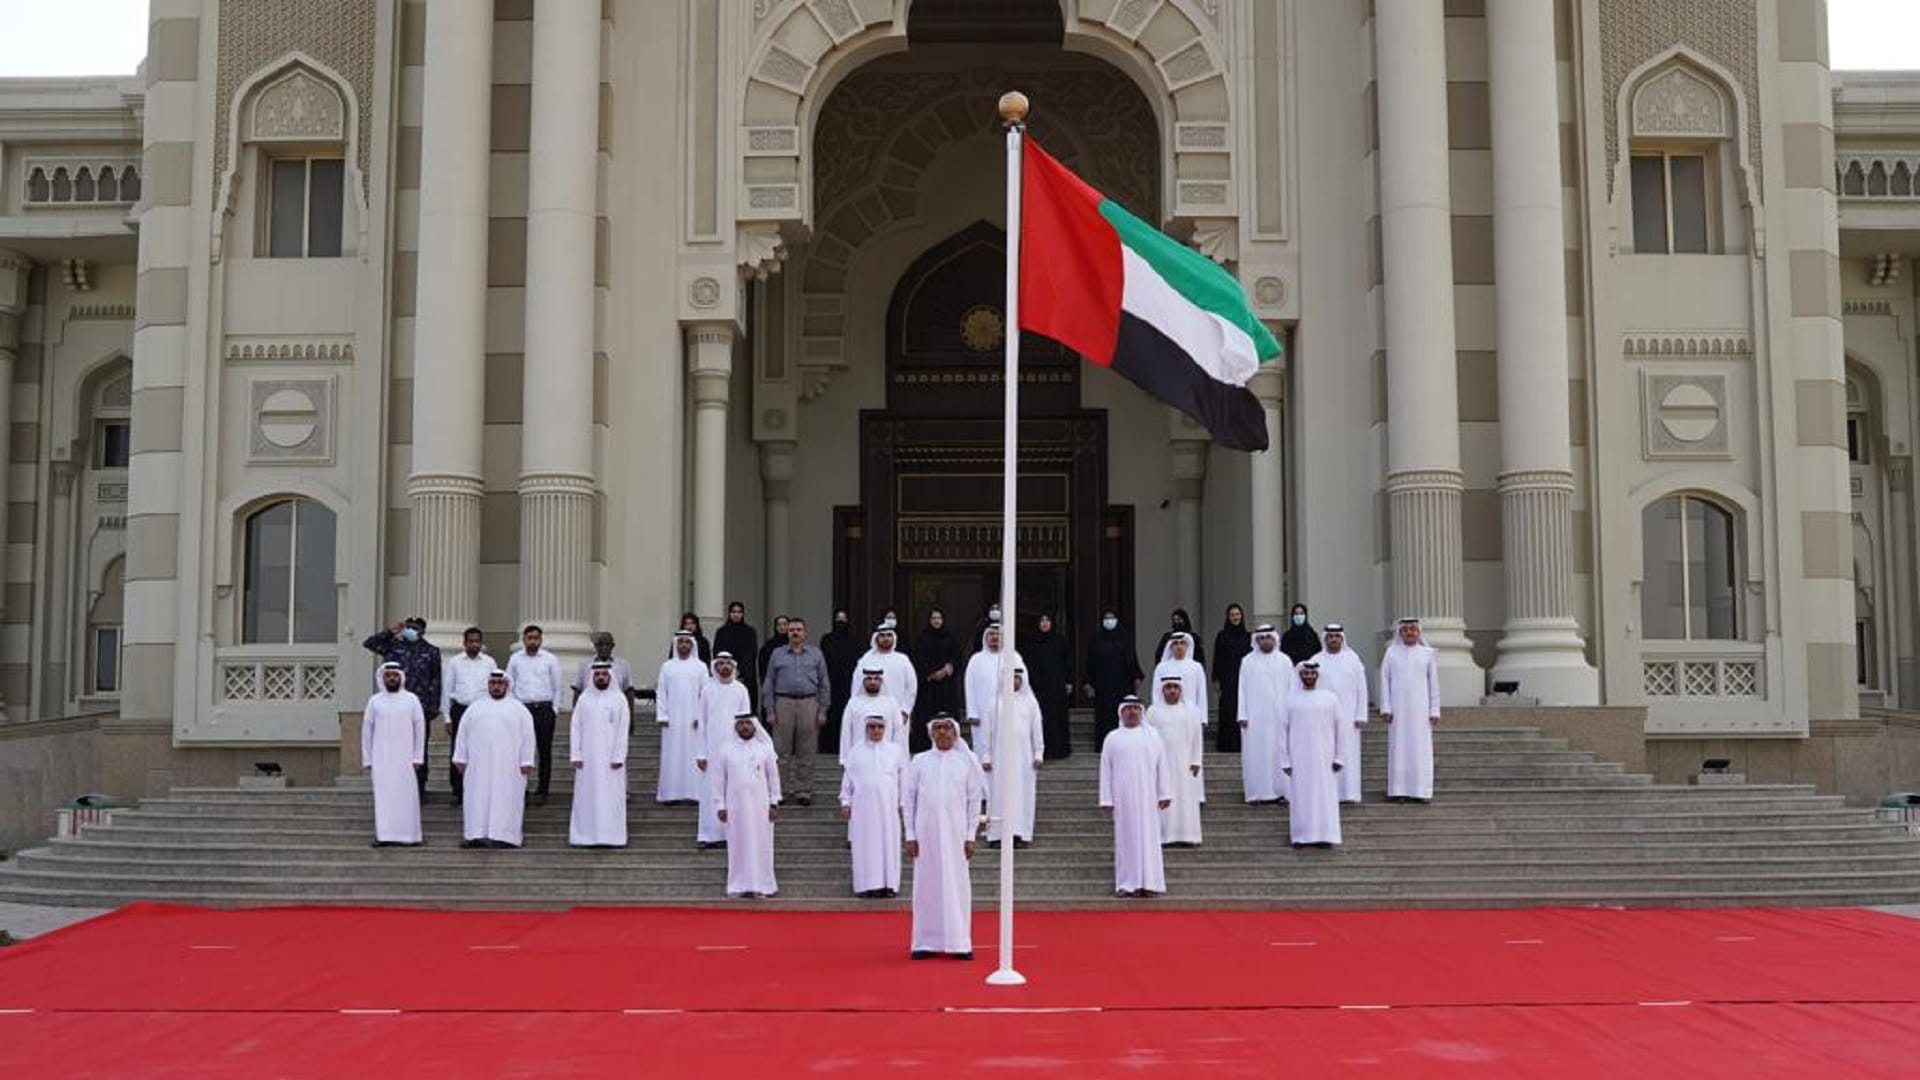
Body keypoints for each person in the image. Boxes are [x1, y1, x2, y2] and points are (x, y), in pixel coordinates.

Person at [902, 714, 987, 960]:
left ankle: (959, 942)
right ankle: (925, 942)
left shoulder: (965, 763)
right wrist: (910, 834)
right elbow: (908, 801)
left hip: (956, 834)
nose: (942, 733)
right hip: (925, 834)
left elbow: (974, 802)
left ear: (955, 732)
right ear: (930, 733)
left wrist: (971, 835)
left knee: (956, 886)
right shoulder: (919, 761)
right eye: (937, 728)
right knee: (925, 887)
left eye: (947, 728)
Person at [452, 669, 537, 848]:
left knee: (505, 798)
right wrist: (460, 757)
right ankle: (475, 835)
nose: (496, 687)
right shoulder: (474, 708)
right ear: (488, 685)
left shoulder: (519, 709)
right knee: (477, 798)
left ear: (507, 685)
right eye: (493, 683)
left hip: (509, 766)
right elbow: (462, 734)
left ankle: (505, 836)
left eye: (500, 684)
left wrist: (527, 760)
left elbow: (529, 736)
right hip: (478, 766)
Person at [1100, 696, 1172, 898]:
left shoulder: (1153, 736)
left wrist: (1165, 793)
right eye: (1128, 709)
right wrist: (1106, 799)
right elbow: (1106, 770)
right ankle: (1127, 883)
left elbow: (1162, 766)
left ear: (1141, 711)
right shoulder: (1112, 738)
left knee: (1149, 840)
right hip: (1123, 799)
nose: (1132, 712)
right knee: (1126, 841)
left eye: (1135, 708)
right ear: (1121, 712)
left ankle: (1150, 883)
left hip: (1148, 798)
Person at [363, 617, 442, 798]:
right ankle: (394, 788)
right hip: (392, 706)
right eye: (409, 628)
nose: (411, 631)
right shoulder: (393, 647)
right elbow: (369, 643)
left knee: (419, 749)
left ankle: (419, 789)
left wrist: (434, 706)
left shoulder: (431, 651)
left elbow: (436, 680)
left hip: (419, 708)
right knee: (394, 749)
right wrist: (391, 631)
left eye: (415, 628)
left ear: (422, 631)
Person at [759, 617, 830, 805]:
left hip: (809, 703)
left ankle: (803, 791)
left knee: (806, 751)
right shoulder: (777, 654)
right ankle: (779, 790)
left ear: (805, 632)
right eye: (791, 630)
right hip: (783, 703)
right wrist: (770, 710)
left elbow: (824, 683)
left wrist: (822, 710)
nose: (795, 632)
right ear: (787, 632)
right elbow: (769, 682)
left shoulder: (816, 654)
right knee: (780, 751)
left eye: (798, 629)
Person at [840, 713, 909, 898]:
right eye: (872, 727)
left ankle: (889, 885)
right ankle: (866, 886)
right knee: (865, 846)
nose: (876, 730)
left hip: (888, 809)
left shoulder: (895, 751)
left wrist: (904, 805)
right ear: (866, 729)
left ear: (885, 729)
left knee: (889, 845)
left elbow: (904, 781)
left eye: (880, 727)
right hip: (863, 811)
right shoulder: (855, 751)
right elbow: (848, 780)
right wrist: (845, 802)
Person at [713, 712, 782, 898]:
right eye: (741, 723)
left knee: (762, 845)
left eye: (748, 723)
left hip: (761, 807)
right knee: (737, 845)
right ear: (736, 726)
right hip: (735, 808)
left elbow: (773, 778)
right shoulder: (726, 750)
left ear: (754, 726)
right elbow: (719, 780)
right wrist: (720, 805)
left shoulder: (765, 749)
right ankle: (738, 885)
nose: (744, 727)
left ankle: (764, 885)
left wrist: (775, 802)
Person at [1280, 660, 1344, 849]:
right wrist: (1285, 760)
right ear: (1300, 676)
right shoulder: (1290, 699)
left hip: (1325, 757)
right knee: (1301, 797)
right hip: (1299, 758)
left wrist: (1339, 756)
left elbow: (1340, 729)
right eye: (1305, 674)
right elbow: (1282, 731)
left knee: (1325, 797)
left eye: (1312, 674)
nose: (1309, 676)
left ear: (1318, 675)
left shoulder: (1330, 698)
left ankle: (1325, 836)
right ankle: (1301, 836)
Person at [980, 666, 1045, 848]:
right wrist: (985, 755)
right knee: (998, 794)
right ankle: (996, 836)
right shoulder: (994, 703)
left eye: (1017, 678)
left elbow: (1036, 729)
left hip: (1023, 759)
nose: (1013, 681)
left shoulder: (1030, 703)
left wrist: (1038, 752)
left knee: (1021, 795)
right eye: (1010, 678)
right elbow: (987, 731)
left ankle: (1019, 834)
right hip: (998, 758)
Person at [362, 662, 425, 848]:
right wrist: (368, 759)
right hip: (381, 758)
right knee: (384, 798)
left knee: (407, 797)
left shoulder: (411, 699)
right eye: (388, 675)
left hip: (406, 759)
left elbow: (420, 729)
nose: (391, 678)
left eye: (395, 675)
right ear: (382, 677)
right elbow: (366, 731)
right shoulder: (375, 701)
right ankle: (384, 835)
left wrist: (418, 757)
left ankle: (410, 836)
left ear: (401, 677)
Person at [568, 661, 631, 848]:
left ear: (610, 676)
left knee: (611, 798)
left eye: (604, 674)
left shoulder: (619, 699)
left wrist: (619, 756)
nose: (601, 677)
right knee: (586, 797)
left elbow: (622, 729)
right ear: (592, 677)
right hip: (587, 761)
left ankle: (612, 837)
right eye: (597, 674)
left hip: (612, 761)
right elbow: (575, 728)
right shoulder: (584, 699)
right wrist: (576, 755)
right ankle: (584, 836)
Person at [695, 652, 753, 849]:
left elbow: (747, 722)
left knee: (734, 791)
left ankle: (733, 836)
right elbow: (701, 723)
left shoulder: (741, 690)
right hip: (711, 751)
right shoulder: (707, 690)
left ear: (733, 666)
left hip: (735, 748)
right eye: (721, 664)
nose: (725, 667)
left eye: (728, 663)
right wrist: (701, 753)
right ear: (716, 667)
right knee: (710, 790)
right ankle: (708, 835)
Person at [1379, 617, 1441, 803]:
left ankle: (1422, 791)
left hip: (1421, 712)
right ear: (1400, 632)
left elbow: (1434, 684)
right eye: (1405, 629)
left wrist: (1434, 710)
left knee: (1420, 749)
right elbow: (1384, 680)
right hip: (1397, 712)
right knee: (1398, 748)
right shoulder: (1391, 652)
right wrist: (1386, 707)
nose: (1409, 632)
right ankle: (1399, 791)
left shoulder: (1427, 654)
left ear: (1418, 632)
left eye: (1413, 629)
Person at [505, 624, 564, 806]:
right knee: (520, 750)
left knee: (544, 750)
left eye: (536, 638)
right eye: (529, 638)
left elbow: (557, 687)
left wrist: (554, 710)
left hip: (544, 709)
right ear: (524, 640)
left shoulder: (550, 659)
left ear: (541, 639)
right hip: (523, 709)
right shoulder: (515, 659)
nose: (533, 641)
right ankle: (521, 788)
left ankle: (543, 790)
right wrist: (515, 708)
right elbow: (509, 684)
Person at [1311, 624, 1370, 805]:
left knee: (1349, 754)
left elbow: (1362, 688)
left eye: (1337, 636)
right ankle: (1328, 793)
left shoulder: (1352, 659)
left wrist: (1361, 714)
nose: (1334, 639)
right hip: (1324, 717)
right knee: (1326, 753)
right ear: (1325, 639)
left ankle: (1349, 793)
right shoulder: (1316, 660)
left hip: (1349, 717)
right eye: (1330, 637)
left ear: (1342, 638)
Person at [439, 627, 496, 807]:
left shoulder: (490, 662)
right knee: (459, 751)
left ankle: (480, 789)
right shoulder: (455, 662)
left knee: (481, 750)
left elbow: (495, 686)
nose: (474, 644)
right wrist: (447, 717)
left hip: (483, 711)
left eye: (477, 641)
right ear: (464, 643)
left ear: (481, 643)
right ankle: (458, 791)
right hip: (460, 710)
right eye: (470, 641)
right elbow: (447, 690)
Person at [1145, 675, 1204, 847]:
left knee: (1185, 799)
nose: (1172, 690)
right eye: (1168, 687)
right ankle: (1164, 836)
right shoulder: (1152, 712)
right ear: (1162, 690)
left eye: (1175, 687)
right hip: (1161, 764)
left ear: (1180, 690)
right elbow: (1147, 740)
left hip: (1186, 764)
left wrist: (1196, 760)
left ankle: (1188, 836)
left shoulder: (1192, 711)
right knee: (1164, 797)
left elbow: (1197, 739)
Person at [1237, 624, 1291, 805]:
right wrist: (1242, 714)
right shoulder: (1247, 661)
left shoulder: (1285, 661)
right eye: (1262, 638)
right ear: (1256, 640)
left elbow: (1292, 690)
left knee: (1280, 753)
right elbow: (1242, 690)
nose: (1265, 641)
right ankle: (1256, 793)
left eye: (1269, 637)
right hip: (1255, 718)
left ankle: (1282, 792)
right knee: (1256, 754)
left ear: (1275, 639)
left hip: (1280, 717)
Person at [654, 630, 709, 805]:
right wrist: (662, 715)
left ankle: (695, 794)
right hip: (672, 720)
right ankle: (670, 794)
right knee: (672, 755)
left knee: (694, 754)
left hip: (694, 719)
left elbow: (706, 693)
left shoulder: (701, 666)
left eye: (687, 642)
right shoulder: (667, 666)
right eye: (681, 642)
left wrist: (701, 716)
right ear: (676, 644)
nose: (684, 645)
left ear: (692, 644)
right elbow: (661, 692)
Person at [1084, 608, 1144, 747]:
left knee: (1121, 711)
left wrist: (1136, 676)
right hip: (1102, 684)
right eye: (1106, 618)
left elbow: (1132, 659)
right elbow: (1090, 662)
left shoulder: (1125, 638)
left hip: (1122, 684)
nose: (1109, 621)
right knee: (1103, 714)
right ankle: (1103, 744)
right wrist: (1088, 682)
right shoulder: (1096, 639)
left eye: (1111, 618)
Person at [911, 606, 963, 753]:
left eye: (939, 618)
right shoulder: (922, 638)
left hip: (946, 686)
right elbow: (918, 659)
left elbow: (957, 658)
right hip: (929, 687)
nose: (936, 621)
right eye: (933, 618)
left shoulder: (951, 637)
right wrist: (932, 673)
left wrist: (948, 668)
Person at [963, 623, 1025, 747]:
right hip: (982, 714)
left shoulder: (1014, 657)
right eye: (991, 634)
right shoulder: (976, 660)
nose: (995, 637)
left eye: (998, 634)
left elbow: (1024, 684)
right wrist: (972, 713)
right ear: (985, 637)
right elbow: (969, 688)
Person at [854, 621, 917, 741]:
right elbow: (856, 688)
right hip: (870, 714)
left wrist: (905, 711)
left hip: (898, 714)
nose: (885, 639)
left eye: (889, 635)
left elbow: (911, 687)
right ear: (876, 639)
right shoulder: (865, 660)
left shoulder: (902, 660)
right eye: (882, 636)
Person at [1025, 612, 1073, 760]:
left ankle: (1059, 750)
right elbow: (1029, 665)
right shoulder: (1032, 642)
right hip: (1039, 688)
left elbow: (1066, 662)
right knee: (1041, 718)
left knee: (1058, 717)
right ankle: (1041, 750)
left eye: (1047, 620)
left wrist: (1068, 681)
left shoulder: (1059, 641)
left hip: (1057, 686)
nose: (1045, 623)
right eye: (1042, 620)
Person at [818, 609, 864, 753]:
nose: (841, 622)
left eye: (843, 619)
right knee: (831, 716)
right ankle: (829, 748)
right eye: (838, 619)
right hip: (830, 684)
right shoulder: (826, 640)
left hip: (849, 686)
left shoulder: (855, 641)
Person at [839, 667, 906, 762]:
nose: (873, 682)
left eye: (876, 679)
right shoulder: (853, 703)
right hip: (860, 758)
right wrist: (845, 759)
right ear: (863, 681)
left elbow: (898, 733)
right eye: (869, 679)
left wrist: (898, 758)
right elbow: (846, 733)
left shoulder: (892, 703)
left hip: (886, 758)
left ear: (881, 681)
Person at [1211, 604, 1252, 753]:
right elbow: (1217, 658)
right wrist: (1215, 678)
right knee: (1228, 711)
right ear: (1228, 617)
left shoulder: (1248, 637)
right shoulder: (1222, 636)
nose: (1235, 617)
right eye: (1232, 615)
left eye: (1237, 614)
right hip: (1227, 679)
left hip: (1243, 680)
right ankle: (1227, 745)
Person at [1152, 632, 1209, 722]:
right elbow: (1157, 693)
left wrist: (1202, 719)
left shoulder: (1196, 667)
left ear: (1187, 646)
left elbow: (1201, 694)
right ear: (1170, 646)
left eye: (1182, 643)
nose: (1179, 646)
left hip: (1190, 717)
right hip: (1167, 717)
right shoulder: (1162, 668)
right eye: (1175, 643)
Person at [713, 602, 762, 697]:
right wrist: (729, 669)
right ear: (729, 613)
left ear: (742, 614)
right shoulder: (722, 632)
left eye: (739, 612)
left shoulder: (750, 632)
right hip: (725, 674)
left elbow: (751, 653)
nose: (736, 614)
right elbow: (717, 652)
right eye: (733, 612)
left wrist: (739, 671)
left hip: (745, 677)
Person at [571, 631, 635, 702]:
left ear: (612, 646)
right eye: (600, 644)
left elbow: (629, 691)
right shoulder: (584, 665)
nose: (604, 648)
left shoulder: (623, 665)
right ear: (595, 646)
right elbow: (577, 691)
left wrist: (630, 712)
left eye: (607, 644)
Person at [756, 614, 790, 697]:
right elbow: (763, 667)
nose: (782, 627)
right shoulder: (768, 646)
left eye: (785, 624)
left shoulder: (794, 644)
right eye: (779, 625)